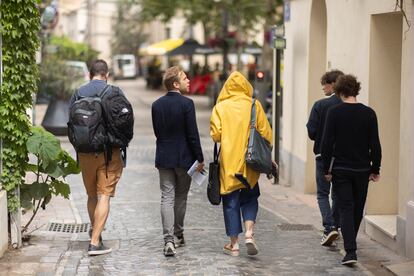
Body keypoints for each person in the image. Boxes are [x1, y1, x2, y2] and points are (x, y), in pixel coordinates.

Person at [321, 74, 381, 265]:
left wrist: (326, 169)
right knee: (357, 209)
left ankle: (350, 251)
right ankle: (350, 246)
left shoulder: (334, 112)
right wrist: (375, 168)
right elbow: (375, 145)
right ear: (356, 90)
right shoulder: (369, 113)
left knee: (346, 208)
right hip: (362, 170)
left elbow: (326, 144)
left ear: (339, 91)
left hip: (341, 169)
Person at [210, 71, 272, 256]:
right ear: (246, 86)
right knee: (250, 198)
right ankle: (250, 234)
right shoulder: (255, 105)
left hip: (229, 163)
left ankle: (234, 244)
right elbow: (267, 135)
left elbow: (216, 135)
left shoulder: (220, 108)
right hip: (250, 163)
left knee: (230, 201)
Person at [69, 59, 125, 256]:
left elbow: (70, 123)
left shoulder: (78, 93)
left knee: (91, 195)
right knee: (104, 196)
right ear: (106, 74)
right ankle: (94, 243)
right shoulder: (114, 92)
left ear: (90, 74)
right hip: (109, 153)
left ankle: (97, 234)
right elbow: (125, 121)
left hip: (84, 152)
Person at [151, 66, 204, 257]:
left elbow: (158, 132)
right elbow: (192, 134)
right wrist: (200, 158)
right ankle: (178, 234)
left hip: (164, 156)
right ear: (176, 84)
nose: (188, 80)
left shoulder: (156, 105)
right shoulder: (187, 104)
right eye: (185, 78)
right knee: (181, 197)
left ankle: (168, 240)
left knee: (167, 196)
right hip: (184, 159)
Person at [306, 70, 344, 246]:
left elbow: (312, 132)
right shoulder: (347, 105)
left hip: (322, 155)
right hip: (343, 157)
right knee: (337, 193)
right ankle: (336, 226)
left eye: (325, 83)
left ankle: (329, 228)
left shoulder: (320, 105)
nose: (323, 87)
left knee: (322, 193)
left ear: (333, 84)